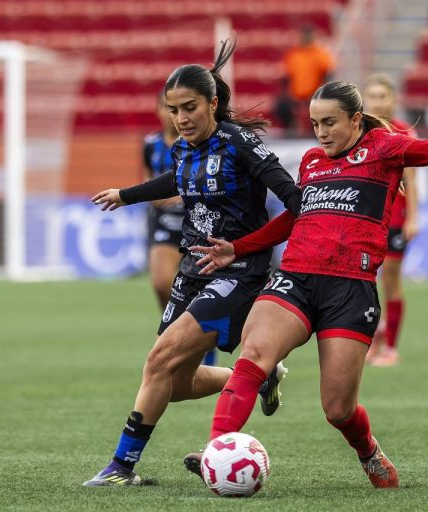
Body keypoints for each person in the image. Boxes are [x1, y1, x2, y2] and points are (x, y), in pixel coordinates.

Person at [183, 81, 428, 488]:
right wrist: (237, 249)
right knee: (254, 354)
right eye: (315, 124)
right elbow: (295, 218)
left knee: (337, 409)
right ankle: (217, 451)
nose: (321, 132)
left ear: (356, 119)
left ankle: (368, 450)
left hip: (350, 289)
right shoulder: (312, 161)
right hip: (295, 277)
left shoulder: (385, 148)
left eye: (330, 122)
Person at [83, 40, 302, 487]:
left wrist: (243, 249)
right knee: (171, 380)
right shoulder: (183, 147)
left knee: (159, 360)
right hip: (192, 270)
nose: (181, 118)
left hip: (238, 274)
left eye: (190, 107)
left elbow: (295, 201)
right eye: (173, 110)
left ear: (213, 103)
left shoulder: (241, 143)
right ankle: (257, 377)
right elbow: (178, 178)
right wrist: (127, 194)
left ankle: (121, 468)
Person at [143, 93, 216, 366]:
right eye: (167, 107)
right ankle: (179, 333)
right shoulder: (150, 145)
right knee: (162, 282)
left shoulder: (199, 144)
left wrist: (177, 196)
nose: (172, 114)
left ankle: (200, 342)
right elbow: (147, 180)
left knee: (197, 287)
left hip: (197, 221)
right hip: (164, 221)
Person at [362, 73, 419, 367]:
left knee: (391, 282)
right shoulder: (358, 131)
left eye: (382, 96)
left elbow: (412, 181)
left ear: (394, 100)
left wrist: (413, 217)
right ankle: (374, 338)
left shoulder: (403, 134)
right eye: (372, 96)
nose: (377, 102)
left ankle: (391, 348)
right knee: (363, 283)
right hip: (365, 218)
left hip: (394, 218)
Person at [275, 24, 334, 135]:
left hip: (315, 94)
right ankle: (289, 130)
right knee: (281, 106)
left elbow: (327, 75)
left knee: (322, 107)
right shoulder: (293, 54)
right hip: (295, 95)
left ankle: (316, 132)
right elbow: (286, 78)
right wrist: (288, 94)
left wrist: (319, 93)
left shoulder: (321, 54)